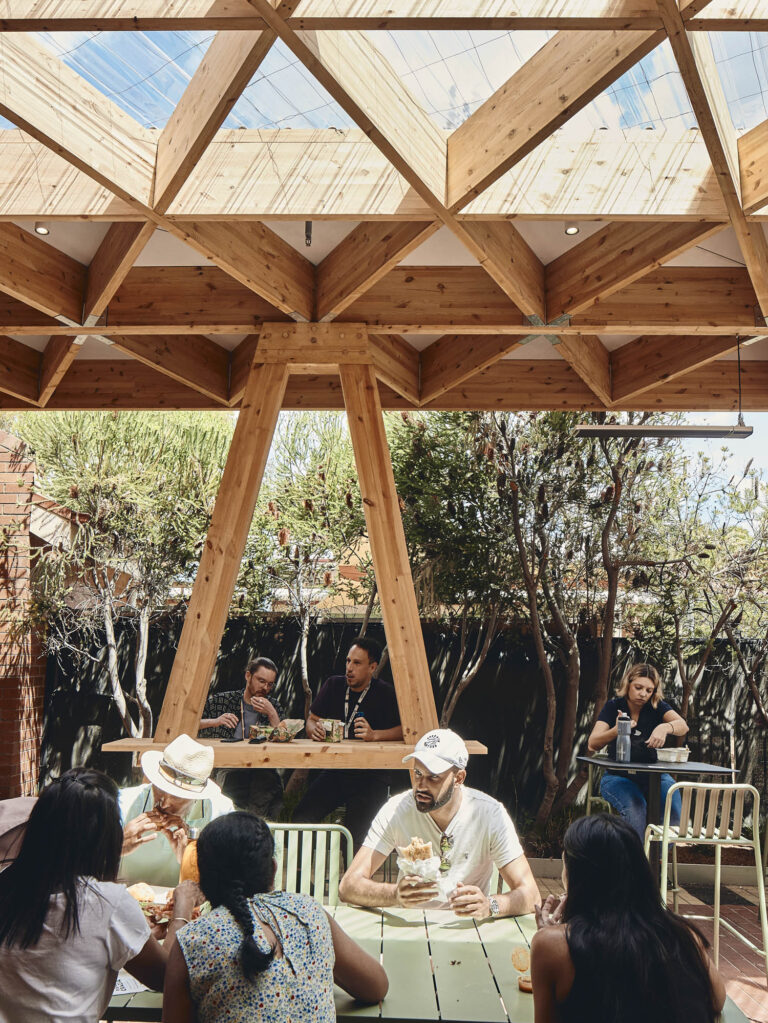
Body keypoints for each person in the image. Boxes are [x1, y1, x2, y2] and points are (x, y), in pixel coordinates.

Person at [0, 768, 191, 1023]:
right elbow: (167, 978)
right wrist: (182, 911)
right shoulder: (106, 902)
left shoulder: (8, 883)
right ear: (107, 836)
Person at [162, 812, 388, 1023]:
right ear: (273, 868)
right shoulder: (308, 912)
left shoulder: (194, 940)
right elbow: (376, 987)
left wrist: (181, 910)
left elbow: (166, 979)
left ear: (203, 877)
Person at [530, 813, 726, 1023]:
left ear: (576, 876)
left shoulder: (552, 946)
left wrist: (552, 937)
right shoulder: (684, 937)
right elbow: (717, 1000)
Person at [339, 728, 539, 917]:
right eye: (417, 773)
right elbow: (348, 886)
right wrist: (394, 895)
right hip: (409, 925)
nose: (421, 786)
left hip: (467, 930)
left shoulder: (489, 814)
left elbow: (531, 894)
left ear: (459, 778)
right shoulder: (397, 809)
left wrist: (490, 905)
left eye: (434, 777)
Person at [292, 636, 402, 847]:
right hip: (337, 770)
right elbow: (312, 719)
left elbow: (406, 731)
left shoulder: (385, 692)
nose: (349, 668)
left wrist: (375, 735)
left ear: (372, 667)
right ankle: (302, 878)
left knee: (355, 836)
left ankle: (350, 880)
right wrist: (313, 730)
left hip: (372, 775)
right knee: (302, 817)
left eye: (357, 663)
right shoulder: (334, 685)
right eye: (348, 661)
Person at [587, 662, 688, 840]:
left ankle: (655, 861)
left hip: (654, 776)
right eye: (638, 687)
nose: (643, 694)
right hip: (618, 776)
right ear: (628, 684)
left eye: (649, 690)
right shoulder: (614, 706)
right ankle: (635, 863)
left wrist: (665, 727)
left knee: (673, 809)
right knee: (636, 808)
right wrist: (616, 729)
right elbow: (592, 744)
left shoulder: (658, 707)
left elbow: (683, 726)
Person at [119, 733, 234, 888]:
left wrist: (191, 861)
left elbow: (229, 882)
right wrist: (115, 847)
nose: (164, 803)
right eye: (159, 788)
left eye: (177, 796)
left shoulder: (220, 813)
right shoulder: (123, 803)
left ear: (197, 796)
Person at [198, 656, 285, 819]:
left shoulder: (273, 706)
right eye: (261, 681)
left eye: (270, 684)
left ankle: (254, 826)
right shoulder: (222, 701)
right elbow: (189, 725)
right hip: (228, 767)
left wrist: (272, 714)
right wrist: (215, 721)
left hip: (261, 768)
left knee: (269, 784)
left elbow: (283, 739)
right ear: (248, 676)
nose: (265, 687)